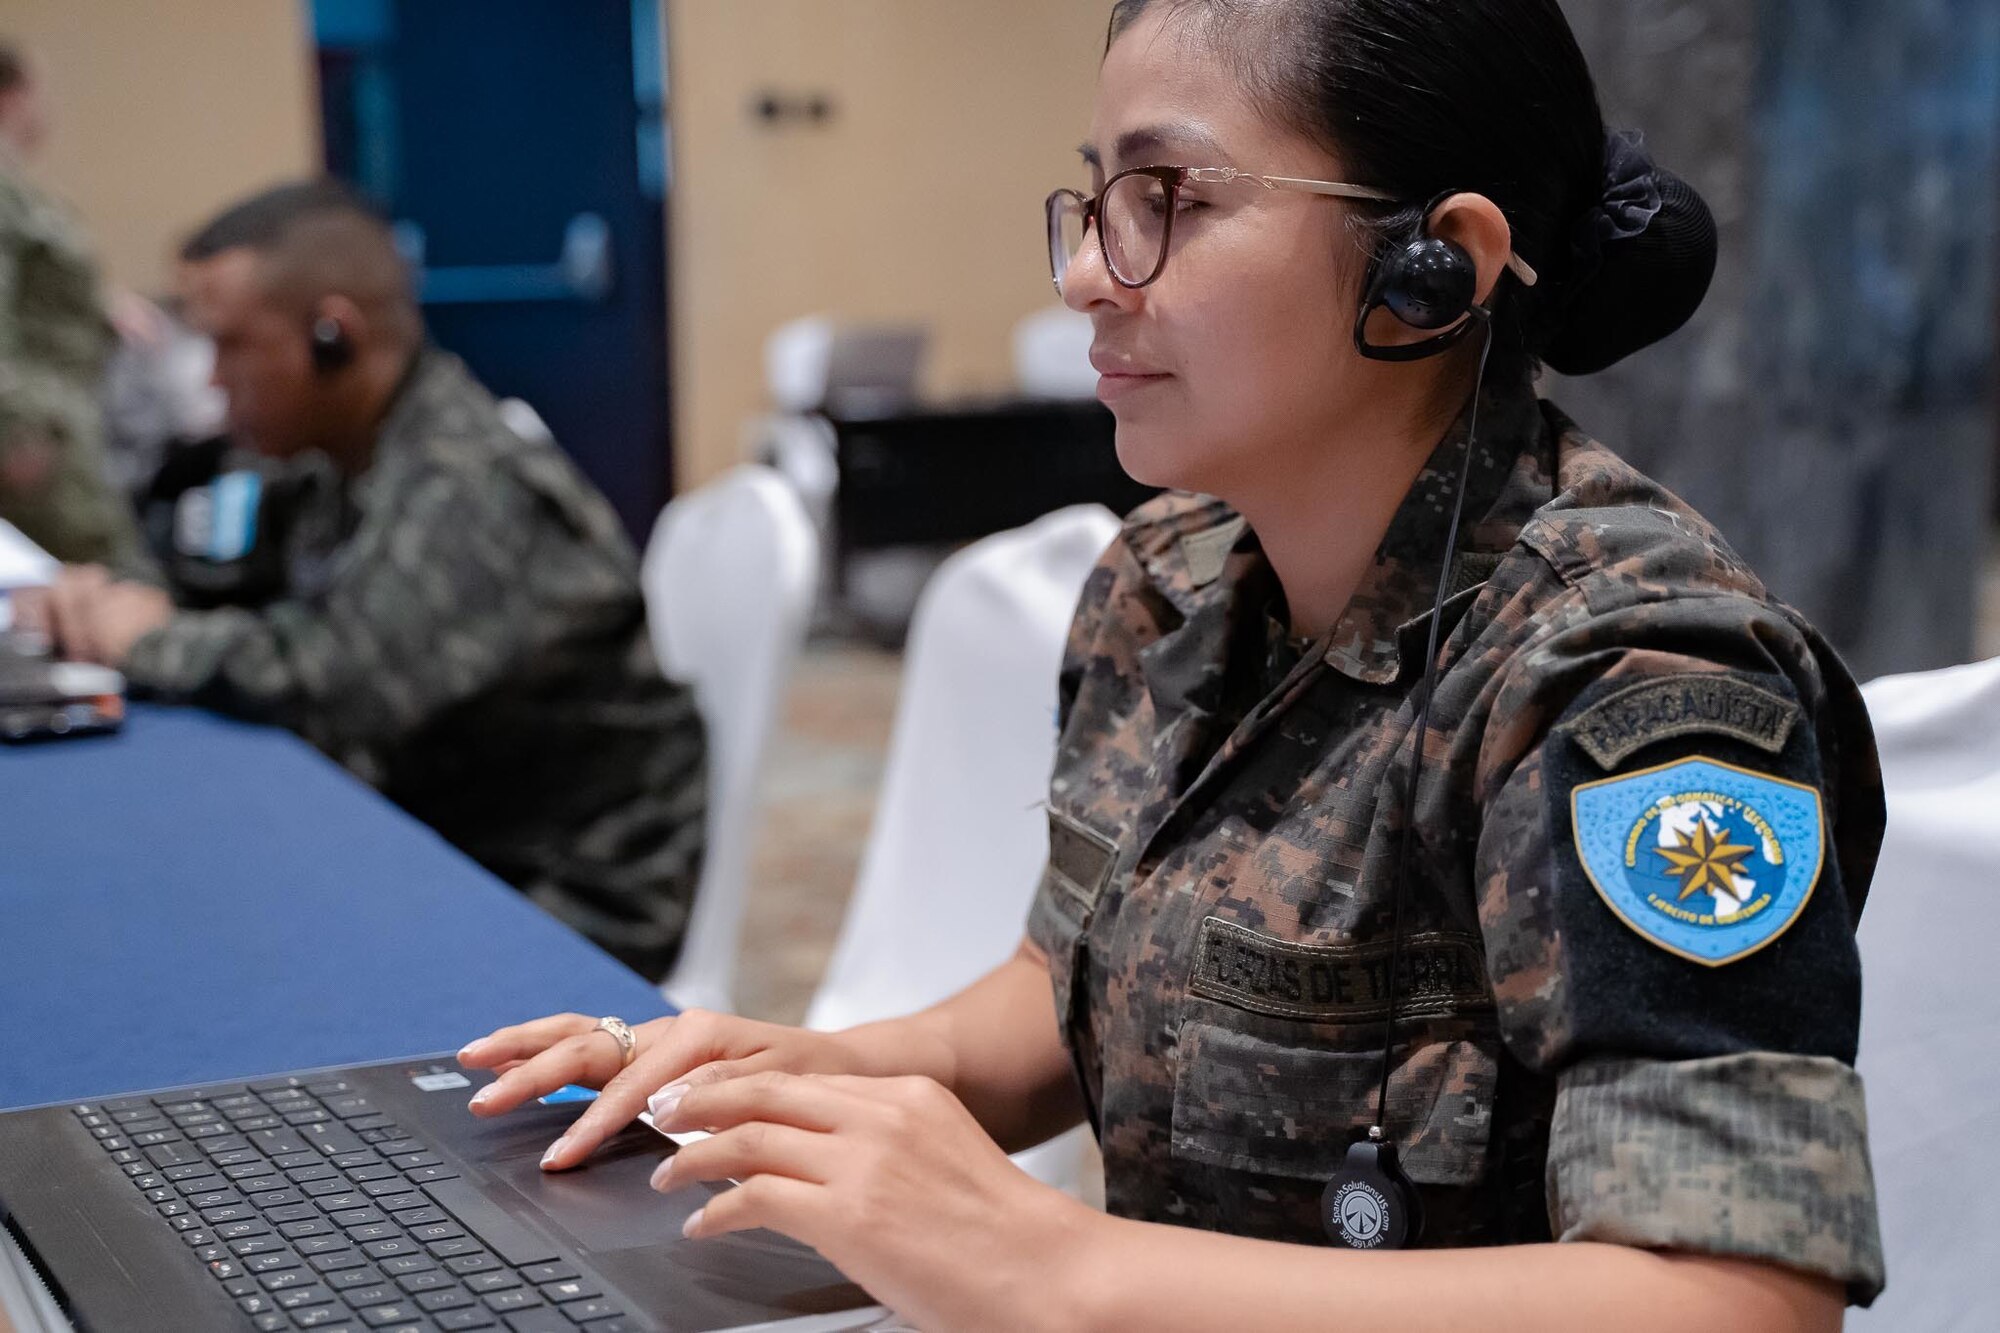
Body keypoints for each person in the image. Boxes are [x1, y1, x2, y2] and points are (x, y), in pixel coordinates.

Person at [456, 2, 1884, 1328]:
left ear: (1433, 263)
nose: (1087, 275)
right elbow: (1065, 993)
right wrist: (793, 1077)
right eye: (1096, 201)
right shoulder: (1171, 580)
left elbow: (1736, 1298)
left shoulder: (1629, 676)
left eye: (1172, 203)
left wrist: (1050, 1263)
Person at [20, 181, 706, 979]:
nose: (211, 382)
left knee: (191, 956)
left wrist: (144, 636)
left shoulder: (470, 485)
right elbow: (206, 576)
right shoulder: (340, 456)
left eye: (232, 346)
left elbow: (332, 685)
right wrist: (104, 598)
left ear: (332, 336)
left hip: (560, 895)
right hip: (439, 832)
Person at [0, 40, 147, 567]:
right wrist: (13, 429)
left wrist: (100, 306)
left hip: (62, 414)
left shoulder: (15, 188)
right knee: (103, 581)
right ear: (13, 95)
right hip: (38, 428)